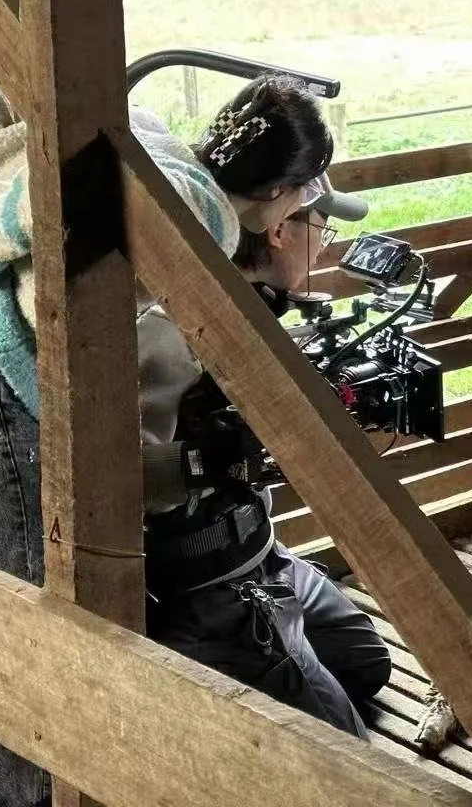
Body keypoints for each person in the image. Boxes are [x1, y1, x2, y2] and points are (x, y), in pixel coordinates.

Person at [0, 68, 342, 806]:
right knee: (14, 654)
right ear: (284, 196)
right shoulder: (204, 207)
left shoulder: (142, 122)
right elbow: (85, 190)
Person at [135, 183, 390, 739]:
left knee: (367, 664)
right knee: (346, 753)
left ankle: (286, 624)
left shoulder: (260, 308)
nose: (325, 247)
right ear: (278, 231)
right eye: (321, 229)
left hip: (264, 554)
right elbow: (124, 480)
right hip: (210, 588)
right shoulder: (169, 334)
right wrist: (219, 458)